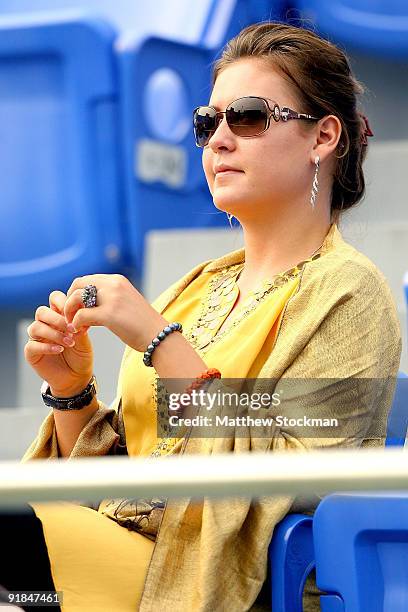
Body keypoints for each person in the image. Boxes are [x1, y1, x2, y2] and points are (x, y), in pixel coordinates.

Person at [2, 21, 401, 612]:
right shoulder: (199, 286)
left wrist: (158, 339)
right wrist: (70, 391)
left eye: (247, 116)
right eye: (207, 123)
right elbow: (129, 477)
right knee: (20, 581)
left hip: (211, 580)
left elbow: (297, 477)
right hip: (110, 555)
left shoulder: (350, 291)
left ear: (323, 136)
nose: (218, 139)